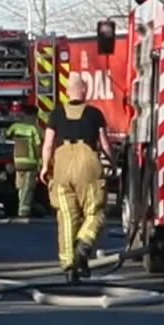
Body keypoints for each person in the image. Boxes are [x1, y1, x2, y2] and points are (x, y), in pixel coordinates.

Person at [40, 73, 111, 281]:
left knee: (67, 216)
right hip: (87, 163)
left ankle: (69, 265)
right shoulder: (95, 113)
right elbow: (105, 144)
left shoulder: (56, 114)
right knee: (94, 211)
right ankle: (84, 244)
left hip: (62, 163)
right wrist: (112, 163)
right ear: (84, 90)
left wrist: (45, 167)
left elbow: (47, 144)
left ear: (67, 91)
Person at [6, 101, 43, 221]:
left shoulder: (15, 127)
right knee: (28, 188)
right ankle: (23, 211)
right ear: (33, 116)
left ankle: (25, 207)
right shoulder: (34, 129)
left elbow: (7, 136)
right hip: (30, 163)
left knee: (20, 187)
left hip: (17, 162)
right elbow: (38, 147)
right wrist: (40, 161)